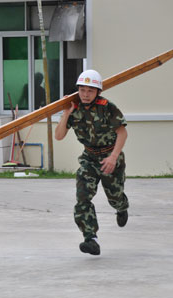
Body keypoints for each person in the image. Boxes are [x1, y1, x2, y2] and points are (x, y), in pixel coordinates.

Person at [54, 69, 129, 256]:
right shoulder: (74, 108)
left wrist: (113, 158)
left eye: (90, 91)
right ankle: (90, 239)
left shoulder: (107, 107)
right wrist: (65, 114)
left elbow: (122, 132)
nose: (85, 94)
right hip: (89, 157)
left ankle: (122, 207)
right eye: (82, 90)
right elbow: (59, 136)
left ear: (98, 92)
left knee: (115, 196)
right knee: (83, 197)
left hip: (110, 155)